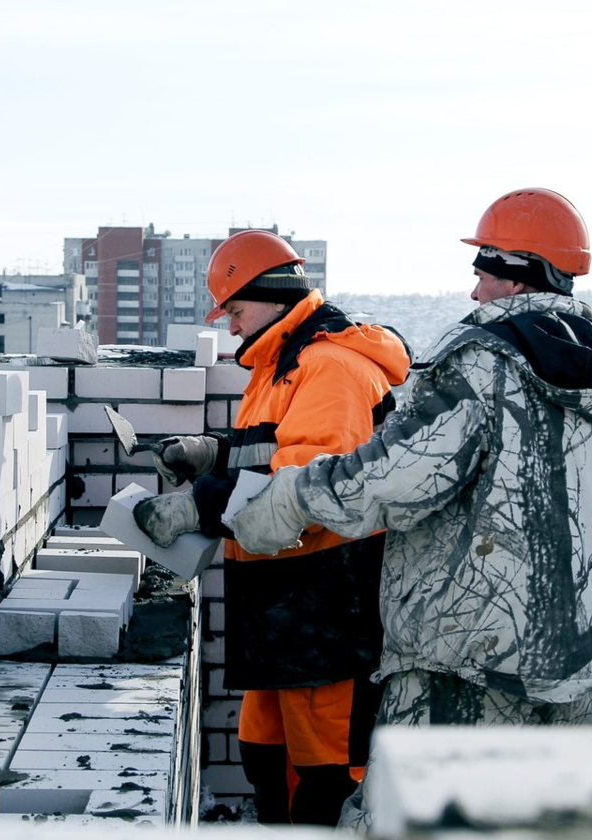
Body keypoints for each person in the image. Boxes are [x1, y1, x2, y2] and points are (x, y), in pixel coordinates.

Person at [230, 188, 592, 736]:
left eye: (483, 272)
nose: (474, 290)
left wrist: (288, 500)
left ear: (517, 277)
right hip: (582, 673)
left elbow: (394, 477)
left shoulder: (483, 365)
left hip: (464, 671)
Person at [132, 229, 412, 826]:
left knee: (325, 780)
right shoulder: (282, 362)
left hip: (330, 610)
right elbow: (269, 451)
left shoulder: (331, 368)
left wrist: (199, 506)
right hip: (281, 606)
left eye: (234, 309)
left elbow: (311, 485)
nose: (230, 326)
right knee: (264, 757)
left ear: (271, 295)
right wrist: (209, 453)